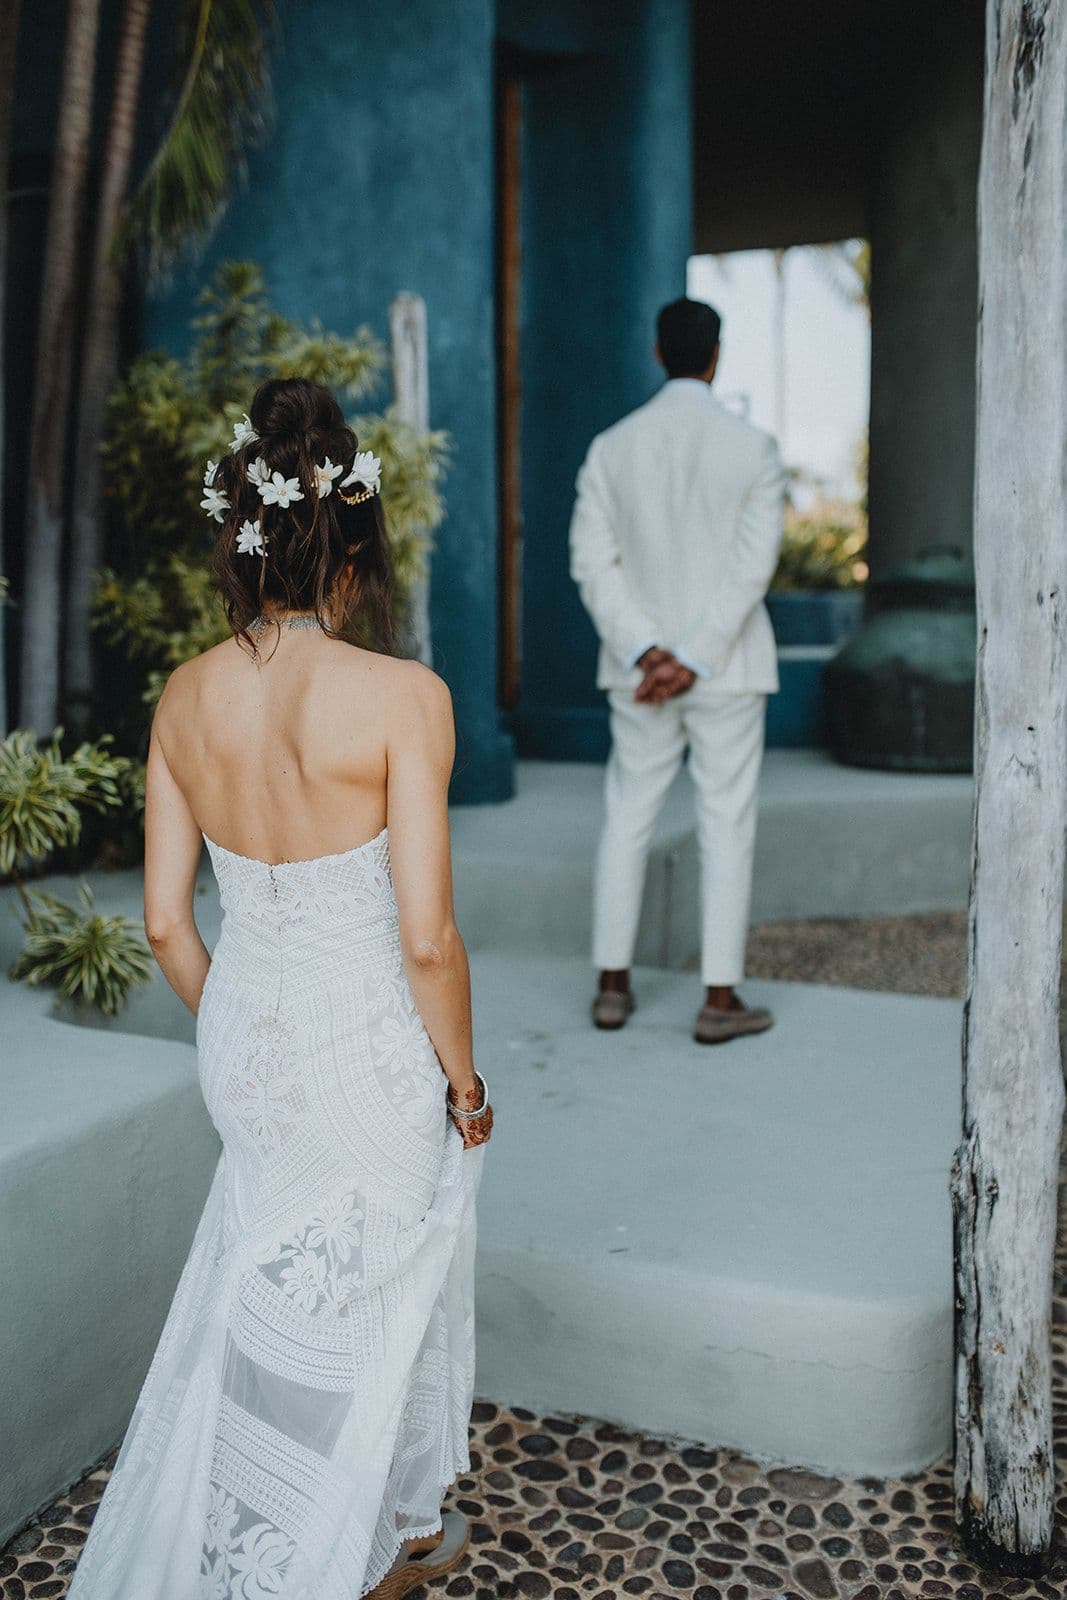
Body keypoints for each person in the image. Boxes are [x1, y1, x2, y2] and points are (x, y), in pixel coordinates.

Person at [66, 377, 492, 1600]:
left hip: (242, 1040)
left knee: (262, 1280)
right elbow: (427, 940)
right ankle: (340, 1552)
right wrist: (463, 1087)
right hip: (363, 1049)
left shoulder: (183, 696)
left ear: (241, 549)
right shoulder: (404, 698)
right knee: (378, 1288)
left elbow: (164, 922)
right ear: (351, 554)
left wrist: (247, 1024)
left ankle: (336, 1533)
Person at [569, 297, 785, 1045]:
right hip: (727, 670)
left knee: (627, 816)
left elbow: (591, 563)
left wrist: (645, 651)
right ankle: (719, 999)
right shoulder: (752, 448)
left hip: (638, 675)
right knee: (726, 824)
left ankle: (612, 986)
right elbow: (753, 566)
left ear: (658, 353)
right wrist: (692, 656)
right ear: (716, 354)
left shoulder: (610, 447)